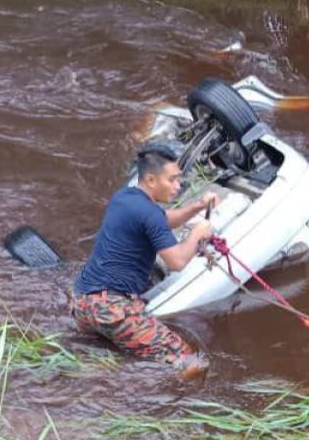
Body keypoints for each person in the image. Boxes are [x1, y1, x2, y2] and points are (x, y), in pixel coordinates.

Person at [69, 142, 218, 371]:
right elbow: (176, 262)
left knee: (114, 353)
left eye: (179, 179)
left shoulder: (125, 198)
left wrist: (198, 206)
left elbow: (164, 219)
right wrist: (197, 233)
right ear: (150, 180)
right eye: (172, 180)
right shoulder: (149, 213)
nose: (178, 186)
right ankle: (174, 403)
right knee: (189, 360)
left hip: (81, 302)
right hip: (111, 309)